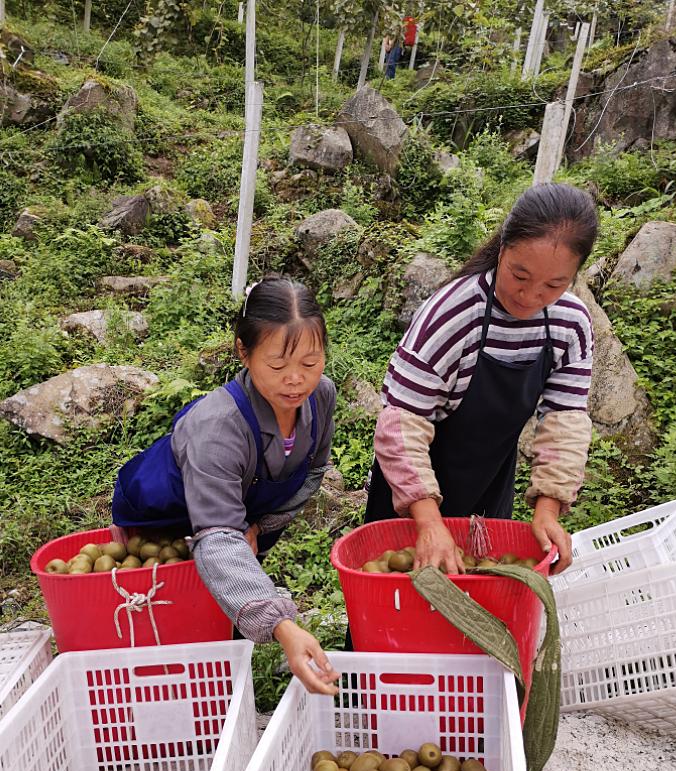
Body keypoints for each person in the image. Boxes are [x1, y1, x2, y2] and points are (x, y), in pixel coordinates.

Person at [112, 277, 340, 695]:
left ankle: (226, 671)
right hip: (167, 518)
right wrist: (282, 626)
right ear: (243, 352)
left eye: (310, 363)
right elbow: (216, 536)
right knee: (176, 615)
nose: (296, 380)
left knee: (228, 593)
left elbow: (311, 472)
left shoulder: (321, 397)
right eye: (277, 365)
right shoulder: (217, 426)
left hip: (243, 517)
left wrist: (259, 527)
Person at [364, 182, 599, 580]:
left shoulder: (569, 324)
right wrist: (428, 522)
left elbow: (565, 422)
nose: (531, 295)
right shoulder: (453, 314)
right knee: (398, 608)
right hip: (410, 487)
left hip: (489, 485)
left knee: (478, 609)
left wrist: (548, 509)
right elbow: (399, 424)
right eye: (519, 275)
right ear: (503, 248)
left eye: (554, 285)